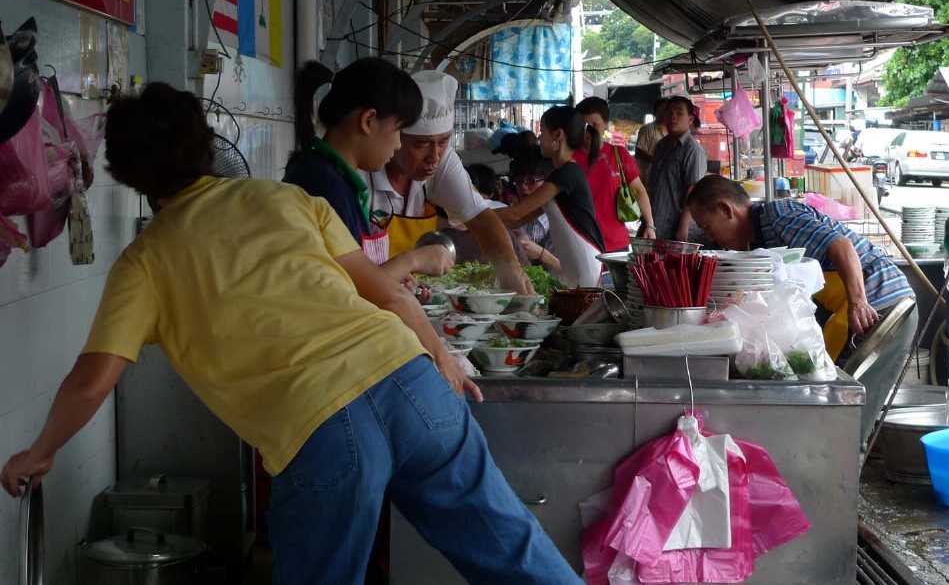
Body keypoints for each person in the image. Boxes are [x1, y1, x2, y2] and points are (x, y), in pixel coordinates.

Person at [0, 84, 580, 585]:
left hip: (321, 427)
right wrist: (441, 359)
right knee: (512, 552)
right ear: (204, 146)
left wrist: (39, 452)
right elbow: (383, 289)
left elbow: (93, 379)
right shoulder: (283, 199)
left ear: (126, 174)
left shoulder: (145, 262)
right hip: (412, 385)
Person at [686, 174, 914, 358]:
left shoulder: (777, 217)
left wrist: (858, 302)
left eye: (707, 226)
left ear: (726, 210)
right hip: (858, 310)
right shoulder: (758, 241)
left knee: (852, 401)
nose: (712, 237)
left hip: (880, 304)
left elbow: (841, 246)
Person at [364, 71, 533, 294]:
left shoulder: (441, 159)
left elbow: (481, 218)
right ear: (395, 136)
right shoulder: (360, 176)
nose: (434, 157)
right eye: (420, 144)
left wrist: (511, 272)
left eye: (443, 141)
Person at [284, 59, 453, 277]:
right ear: (369, 121)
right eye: (398, 130)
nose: (398, 144)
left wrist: (396, 276)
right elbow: (347, 292)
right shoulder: (324, 187)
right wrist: (411, 260)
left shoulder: (336, 178)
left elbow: (355, 277)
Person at [496, 107, 605, 287]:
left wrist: (472, 215)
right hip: (578, 264)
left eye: (542, 133)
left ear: (558, 136)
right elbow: (518, 220)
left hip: (585, 264)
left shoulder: (566, 174)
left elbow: (515, 214)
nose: (539, 139)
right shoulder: (562, 174)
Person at [575, 96, 656, 248]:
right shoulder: (569, 158)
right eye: (583, 125)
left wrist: (650, 224)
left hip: (615, 244)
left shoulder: (619, 155)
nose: (588, 131)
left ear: (605, 125)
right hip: (581, 244)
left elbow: (639, 191)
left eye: (594, 124)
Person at [648, 96, 708, 242]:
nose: (673, 117)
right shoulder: (661, 145)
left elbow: (692, 190)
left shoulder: (692, 149)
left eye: (679, 113)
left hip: (676, 228)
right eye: (669, 113)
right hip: (656, 223)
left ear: (690, 120)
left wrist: (683, 227)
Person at [509, 152, 560, 274]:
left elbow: (566, 270)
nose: (523, 187)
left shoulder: (558, 220)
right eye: (519, 181)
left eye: (531, 181)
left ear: (548, 184)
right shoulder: (512, 216)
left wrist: (540, 253)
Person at [634, 97, 669, 179]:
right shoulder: (647, 129)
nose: (665, 113)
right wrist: (657, 160)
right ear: (656, 112)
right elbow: (639, 151)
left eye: (667, 109)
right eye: (662, 109)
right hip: (648, 176)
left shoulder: (672, 130)